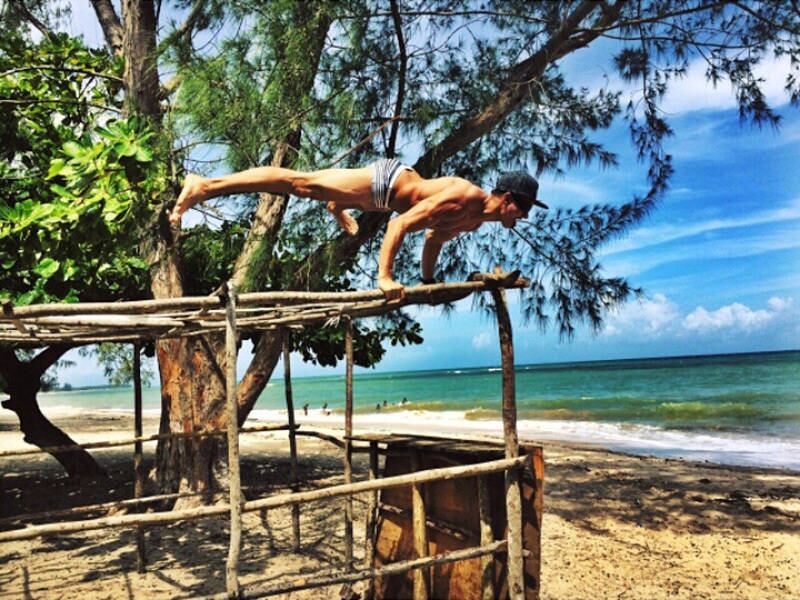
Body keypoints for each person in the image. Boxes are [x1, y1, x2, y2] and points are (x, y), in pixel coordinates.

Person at [168, 159, 547, 300]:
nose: (525, 216)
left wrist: (428, 283)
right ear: (507, 198)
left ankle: (339, 205)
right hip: (387, 183)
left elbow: (434, 239)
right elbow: (400, 224)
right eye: (525, 207)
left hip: (382, 200)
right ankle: (205, 185)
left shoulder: (474, 221)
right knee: (300, 183)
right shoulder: (463, 197)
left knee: (318, 191)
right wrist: (385, 277)